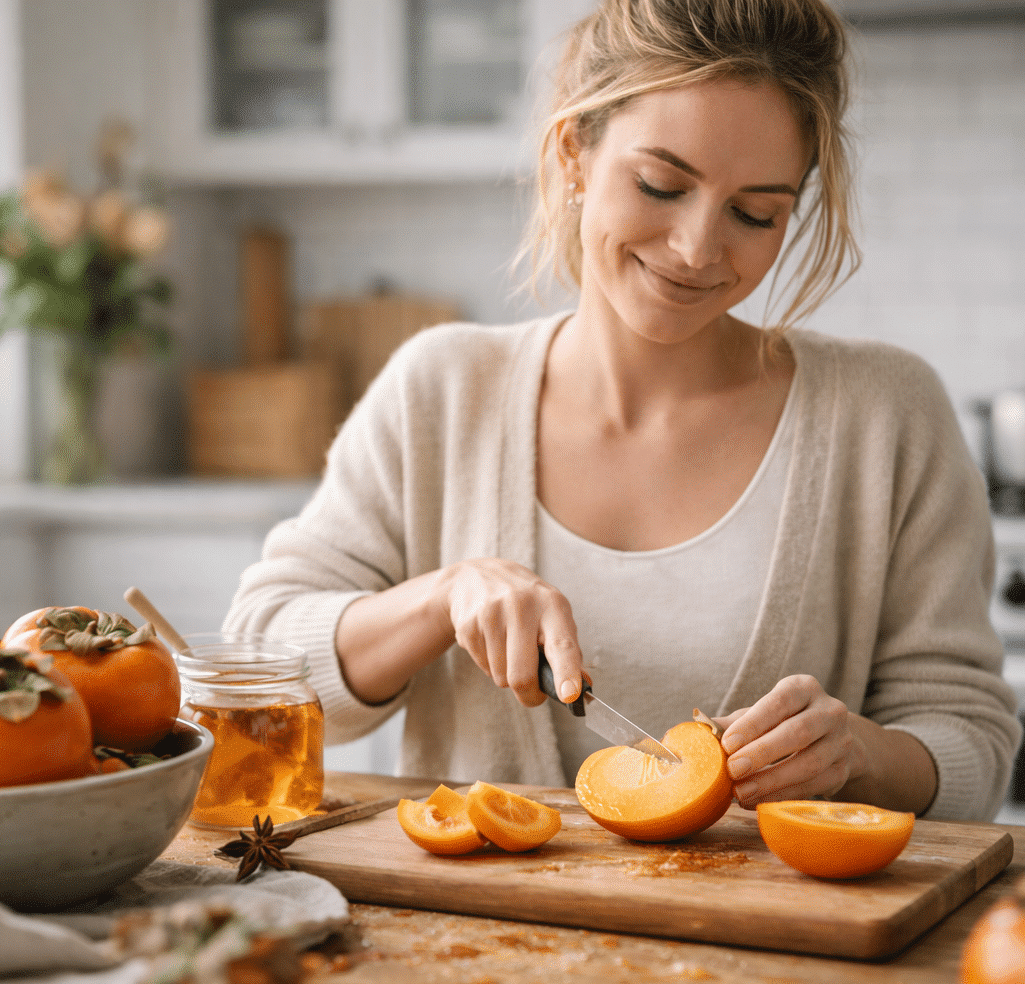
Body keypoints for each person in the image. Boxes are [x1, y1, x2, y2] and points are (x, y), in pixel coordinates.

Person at [224, 0, 1021, 822]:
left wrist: (858, 754)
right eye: (661, 185)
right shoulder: (442, 388)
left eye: (756, 213)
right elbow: (256, 654)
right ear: (573, 154)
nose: (695, 249)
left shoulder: (884, 415)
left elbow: (971, 740)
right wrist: (441, 597)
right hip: (471, 943)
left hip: (783, 952)